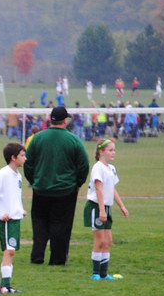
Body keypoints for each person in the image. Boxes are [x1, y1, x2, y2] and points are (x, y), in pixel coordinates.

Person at [24, 106, 90, 266]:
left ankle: (37, 256)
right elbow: (84, 165)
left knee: (39, 223)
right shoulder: (73, 140)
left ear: (50, 119)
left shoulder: (38, 138)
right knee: (61, 226)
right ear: (65, 120)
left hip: (41, 190)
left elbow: (28, 163)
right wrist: (77, 183)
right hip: (65, 191)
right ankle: (57, 259)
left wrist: (34, 181)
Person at [0, 142, 26, 294]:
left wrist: (20, 210)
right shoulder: (4, 173)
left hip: (15, 218)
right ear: (13, 157)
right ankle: (4, 286)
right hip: (6, 221)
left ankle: (6, 285)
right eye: (22, 155)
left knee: (11, 250)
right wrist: (0, 214)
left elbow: (13, 196)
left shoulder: (17, 175)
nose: (25, 158)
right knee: (9, 251)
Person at [85, 139, 129, 280]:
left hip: (106, 207)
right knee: (100, 241)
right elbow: (98, 188)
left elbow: (112, 188)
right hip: (96, 207)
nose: (113, 153)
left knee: (108, 241)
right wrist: (101, 210)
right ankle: (96, 273)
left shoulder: (111, 168)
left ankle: (104, 274)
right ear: (101, 152)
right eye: (110, 150)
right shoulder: (98, 167)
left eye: (114, 150)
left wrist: (122, 206)